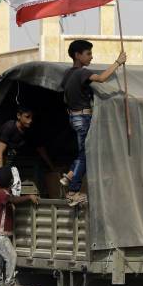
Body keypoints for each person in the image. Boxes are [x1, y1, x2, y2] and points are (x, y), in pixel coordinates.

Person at [60, 40, 127, 205]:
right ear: (77, 55)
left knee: (83, 152)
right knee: (86, 156)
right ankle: (73, 192)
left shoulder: (68, 74)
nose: (91, 56)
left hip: (73, 117)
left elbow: (64, 96)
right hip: (83, 118)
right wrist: (118, 62)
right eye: (88, 53)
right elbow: (102, 78)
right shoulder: (82, 73)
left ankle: (70, 175)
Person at [0, 106, 56, 197]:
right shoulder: (9, 127)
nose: (30, 120)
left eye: (31, 118)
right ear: (19, 116)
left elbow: (41, 149)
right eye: (27, 117)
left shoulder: (29, 130)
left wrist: (52, 167)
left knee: (15, 191)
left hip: (10, 164)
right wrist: (1, 177)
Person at [0, 166, 39, 286]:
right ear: (10, 181)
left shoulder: (2, 192)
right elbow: (13, 200)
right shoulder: (2, 194)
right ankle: (10, 284)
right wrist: (29, 197)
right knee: (11, 256)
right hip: (0, 234)